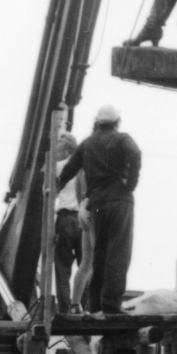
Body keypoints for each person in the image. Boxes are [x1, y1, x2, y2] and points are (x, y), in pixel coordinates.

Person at [60, 104, 141, 316]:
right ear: (117, 121)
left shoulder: (87, 143)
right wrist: (130, 185)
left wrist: (56, 186)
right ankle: (111, 306)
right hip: (120, 201)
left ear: (98, 121)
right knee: (118, 254)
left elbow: (70, 169)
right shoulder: (122, 139)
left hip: (97, 204)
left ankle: (95, 305)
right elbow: (135, 154)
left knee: (99, 255)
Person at [53, 134, 86, 312]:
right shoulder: (84, 168)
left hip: (65, 219)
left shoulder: (58, 167)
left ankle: (65, 309)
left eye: (59, 150)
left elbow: (48, 193)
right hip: (83, 218)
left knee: (62, 267)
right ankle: (84, 306)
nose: (57, 154)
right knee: (85, 264)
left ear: (66, 150)